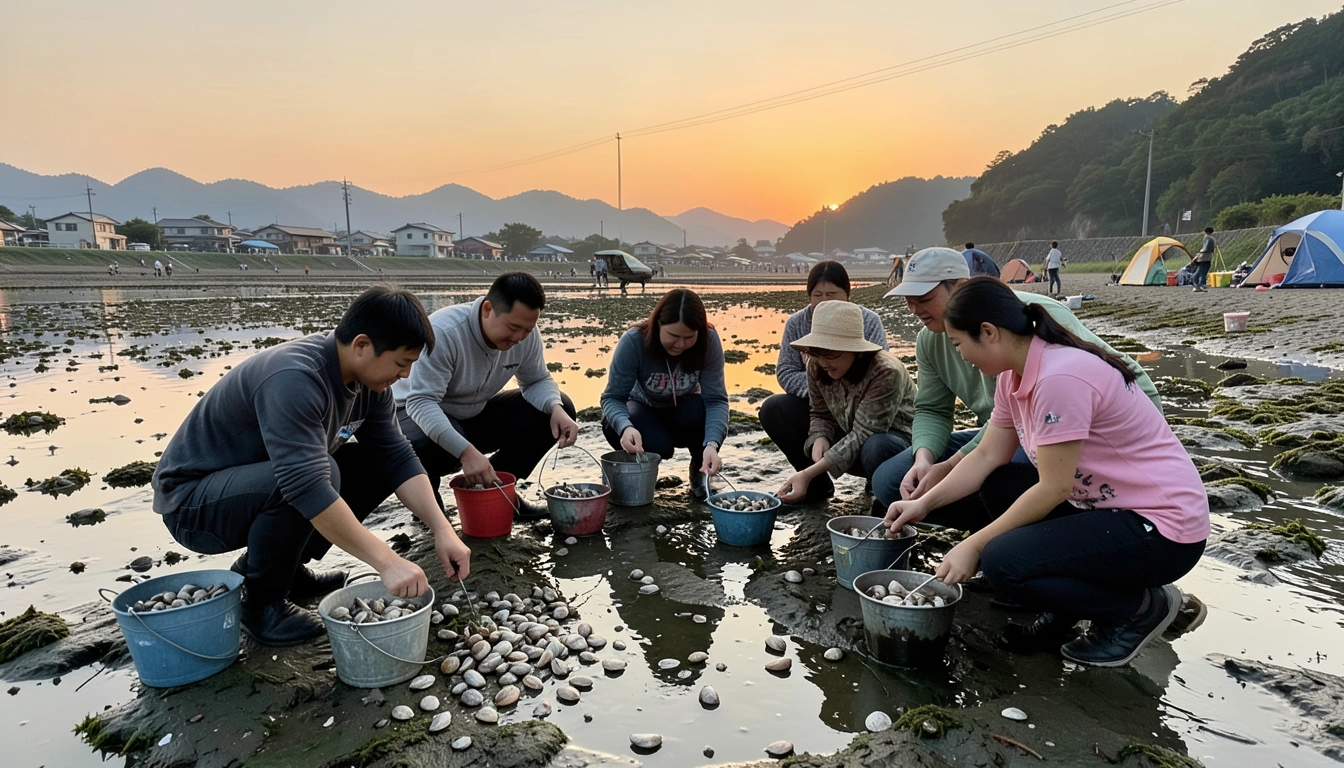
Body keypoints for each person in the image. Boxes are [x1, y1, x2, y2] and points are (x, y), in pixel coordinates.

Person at [884, 277, 1207, 666]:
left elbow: (1054, 488)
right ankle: (1065, 608)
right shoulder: (1013, 375)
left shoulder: (1059, 378)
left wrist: (974, 545)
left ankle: (1138, 609)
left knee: (1001, 563)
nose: (962, 356)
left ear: (988, 333)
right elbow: (986, 455)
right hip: (1107, 509)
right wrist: (923, 504)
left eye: (958, 344)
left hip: (1163, 527)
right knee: (1000, 485)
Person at [151, 286, 471, 646]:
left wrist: (443, 530)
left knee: (366, 464)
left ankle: (283, 570)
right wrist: (387, 561)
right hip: (191, 505)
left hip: (252, 484)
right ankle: (261, 605)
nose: (406, 375)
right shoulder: (295, 377)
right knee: (317, 475)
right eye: (401, 364)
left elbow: (396, 456)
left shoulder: (370, 385)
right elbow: (305, 485)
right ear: (362, 345)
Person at [873, 247, 1159, 527]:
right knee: (891, 480)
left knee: (1005, 477)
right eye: (908, 300)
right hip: (1012, 430)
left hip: (1079, 425)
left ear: (960, 287)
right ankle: (1005, 532)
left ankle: (1023, 532)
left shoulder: (1024, 319)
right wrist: (924, 459)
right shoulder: (929, 340)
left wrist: (950, 467)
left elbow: (1054, 403)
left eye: (923, 298)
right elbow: (933, 409)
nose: (914, 309)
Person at [395, 272, 577, 520]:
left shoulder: (525, 336)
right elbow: (421, 402)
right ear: (487, 309)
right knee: (432, 445)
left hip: (473, 411)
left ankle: (497, 489)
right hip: (412, 414)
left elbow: (536, 380)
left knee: (557, 408)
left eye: (527, 330)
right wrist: (465, 452)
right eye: (513, 328)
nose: (519, 338)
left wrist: (555, 408)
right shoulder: (444, 332)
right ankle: (428, 505)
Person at [759, 261, 889, 501]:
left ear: (847, 294)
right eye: (817, 295)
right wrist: (824, 391)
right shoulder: (797, 325)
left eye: (831, 294)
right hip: (819, 407)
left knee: (877, 444)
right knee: (773, 408)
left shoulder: (869, 321)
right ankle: (816, 485)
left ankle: (879, 480)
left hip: (866, 412)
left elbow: (877, 375)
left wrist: (836, 390)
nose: (824, 301)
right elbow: (786, 371)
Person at [775, 301, 916, 503]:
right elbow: (820, 412)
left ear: (855, 350)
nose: (823, 362)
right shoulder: (816, 364)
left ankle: (887, 496)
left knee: (876, 446)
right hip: (850, 433)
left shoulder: (885, 372)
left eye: (831, 354)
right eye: (817, 353)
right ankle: (815, 489)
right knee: (775, 409)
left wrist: (808, 473)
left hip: (896, 445)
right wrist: (819, 436)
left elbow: (865, 433)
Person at [601, 288, 728, 500]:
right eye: (673, 336)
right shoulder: (634, 341)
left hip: (683, 412)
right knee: (655, 443)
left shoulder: (709, 341)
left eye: (689, 337)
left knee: (701, 410)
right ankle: (643, 475)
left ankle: (700, 473)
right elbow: (612, 397)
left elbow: (716, 400)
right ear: (657, 324)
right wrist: (625, 427)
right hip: (641, 411)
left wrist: (712, 444)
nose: (681, 344)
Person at [1191, 227, 1215, 292]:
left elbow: (1205, 248)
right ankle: (1201, 285)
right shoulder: (1210, 238)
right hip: (1206, 257)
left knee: (1199, 271)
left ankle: (1196, 285)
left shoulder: (1206, 238)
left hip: (1202, 257)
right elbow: (1207, 248)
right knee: (1203, 272)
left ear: (1205, 232)